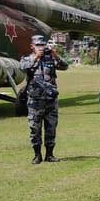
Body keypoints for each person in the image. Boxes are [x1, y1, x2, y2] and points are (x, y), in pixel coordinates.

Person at [20, 34, 69, 164]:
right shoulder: (27, 58)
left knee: (51, 128)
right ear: (32, 46)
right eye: (38, 45)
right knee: (35, 128)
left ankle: (49, 154)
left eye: (43, 45)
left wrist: (54, 54)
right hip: (35, 100)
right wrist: (36, 57)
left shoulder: (50, 59)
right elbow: (23, 68)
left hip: (51, 100)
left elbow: (65, 66)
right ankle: (37, 155)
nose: (41, 48)